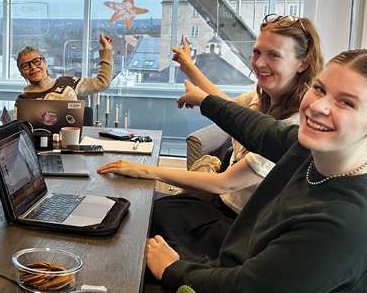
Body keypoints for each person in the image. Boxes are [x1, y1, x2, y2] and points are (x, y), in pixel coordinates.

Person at [134, 49, 367, 293]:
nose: (319, 107)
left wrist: (173, 270)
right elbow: (257, 128)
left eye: (346, 102)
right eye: (320, 89)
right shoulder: (314, 150)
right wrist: (206, 101)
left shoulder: (346, 223)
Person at [98, 15, 323, 260]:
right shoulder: (261, 98)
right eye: (257, 52)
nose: (259, 62)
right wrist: (189, 67)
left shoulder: (295, 125)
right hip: (218, 207)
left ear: (302, 63)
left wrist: (145, 170)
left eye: (273, 55)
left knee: (141, 219)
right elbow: (227, 109)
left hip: (239, 230)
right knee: (136, 211)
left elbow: (224, 183)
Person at [17, 34, 114, 100]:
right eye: (26, 66)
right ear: (21, 73)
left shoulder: (68, 83)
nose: (33, 67)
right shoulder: (23, 99)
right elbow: (21, 128)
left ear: (45, 62)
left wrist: (107, 50)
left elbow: (102, 83)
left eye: (36, 61)